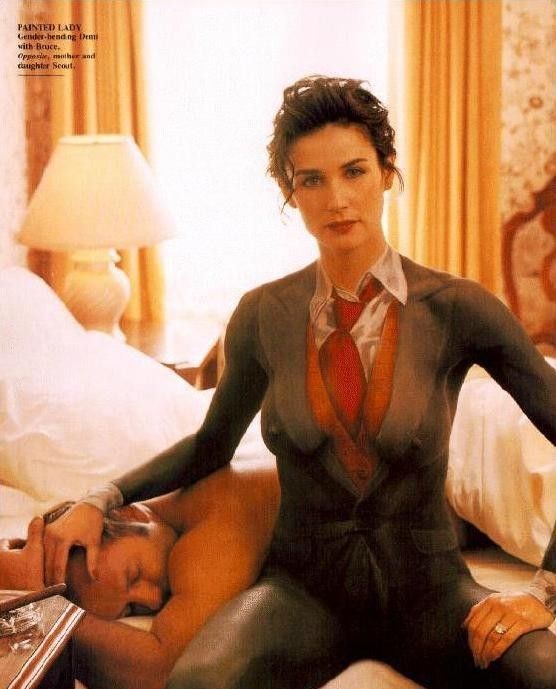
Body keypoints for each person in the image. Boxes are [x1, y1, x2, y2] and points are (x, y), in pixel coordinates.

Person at [43, 76, 556, 689]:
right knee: (196, 684)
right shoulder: (263, 315)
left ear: (387, 172)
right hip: (302, 596)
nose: (337, 199)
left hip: (432, 596)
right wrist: (98, 498)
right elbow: (209, 446)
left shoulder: (458, 307)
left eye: (354, 171)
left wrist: (542, 592)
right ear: (291, 192)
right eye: (312, 180)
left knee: (545, 672)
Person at [1, 461, 279, 689]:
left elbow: (163, 674)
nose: (154, 599)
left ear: (128, 513)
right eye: (131, 610)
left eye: (134, 575)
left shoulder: (217, 516)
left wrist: (38, 602)